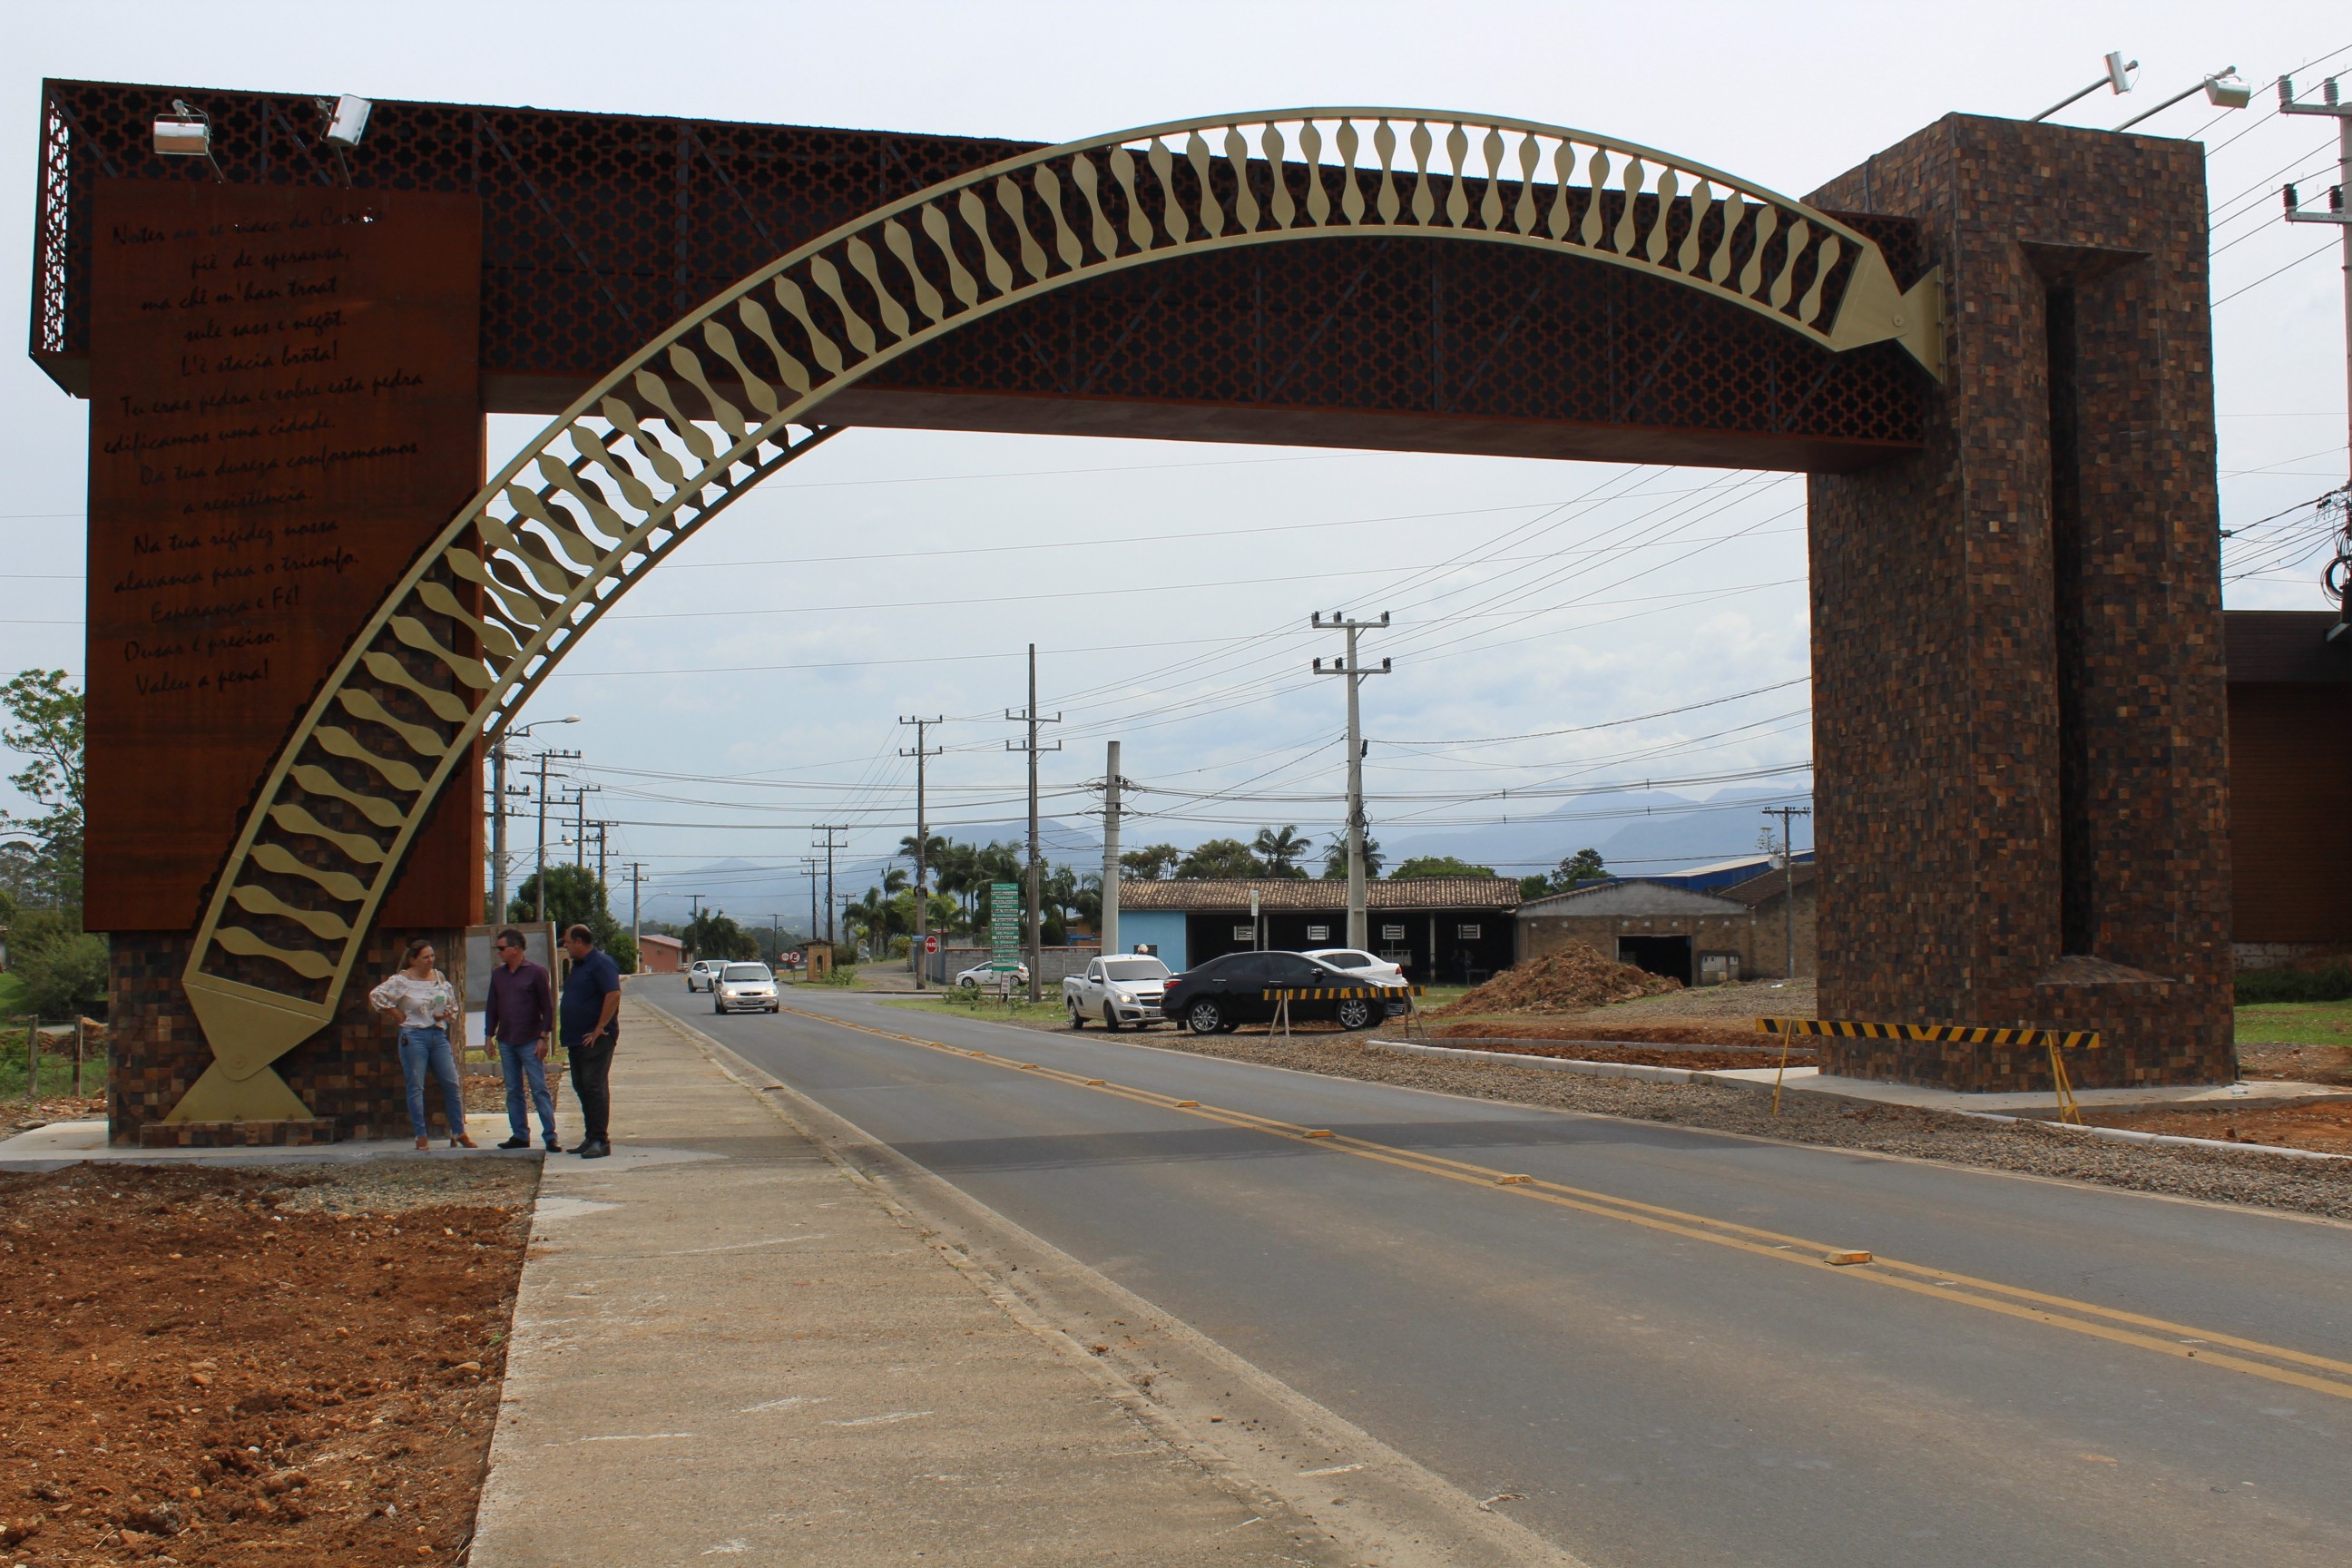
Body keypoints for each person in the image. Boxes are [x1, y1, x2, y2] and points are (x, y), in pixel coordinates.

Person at [368, 938, 475, 1152]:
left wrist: (446, 1014)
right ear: (413, 959)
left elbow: (452, 1007)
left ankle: (458, 1130)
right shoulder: (402, 980)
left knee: (451, 1082)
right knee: (416, 1085)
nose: (430, 960)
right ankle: (421, 1134)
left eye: (432, 956)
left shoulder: (439, 978)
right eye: (425, 957)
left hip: (437, 1034)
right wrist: (395, 1012)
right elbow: (376, 995)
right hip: (414, 1034)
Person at [483, 926, 562, 1152]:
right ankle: (519, 1134)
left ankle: (550, 1135)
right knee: (513, 1089)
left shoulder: (536, 973)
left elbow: (547, 1007)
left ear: (515, 948)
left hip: (530, 1039)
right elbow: (492, 1006)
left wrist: (544, 1037)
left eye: (502, 948)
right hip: (507, 1039)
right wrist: (489, 1035)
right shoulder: (498, 975)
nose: (499, 952)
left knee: (539, 1088)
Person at [559, 923, 622, 1159]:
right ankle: (590, 1136)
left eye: (567, 942)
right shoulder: (578, 966)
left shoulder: (601, 963)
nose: (565, 946)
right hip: (576, 1038)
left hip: (596, 1038)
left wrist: (600, 1027)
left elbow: (613, 993)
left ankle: (600, 1140)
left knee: (594, 1085)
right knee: (581, 1085)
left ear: (579, 942)